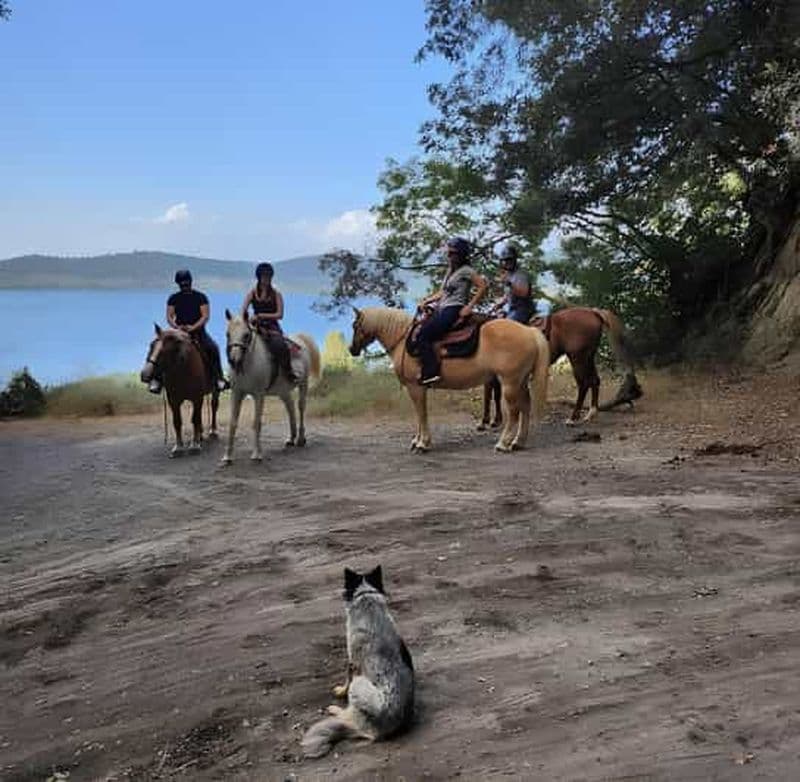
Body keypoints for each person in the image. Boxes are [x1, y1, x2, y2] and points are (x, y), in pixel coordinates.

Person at [416, 237, 487, 385]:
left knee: (423, 335)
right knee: (420, 327)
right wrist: (426, 301)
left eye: (452, 253)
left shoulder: (467, 270)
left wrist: (469, 306)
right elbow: (443, 293)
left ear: (461, 255)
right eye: (448, 253)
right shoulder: (450, 272)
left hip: (453, 309)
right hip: (442, 308)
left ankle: (431, 371)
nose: (449, 256)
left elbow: (482, 286)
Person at [147, 269, 228, 394]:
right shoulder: (173, 298)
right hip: (179, 333)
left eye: (186, 283)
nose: (184, 286)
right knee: (160, 348)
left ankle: (218, 378)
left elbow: (205, 316)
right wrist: (177, 327)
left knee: (213, 348)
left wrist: (193, 327)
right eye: (182, 284)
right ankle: (156, 380)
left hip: (198, 332)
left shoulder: (200, 297)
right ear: (178, 284)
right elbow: (169, 316)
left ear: (190, 282)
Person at [241, 261, 297, 383]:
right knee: (239, 343)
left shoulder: (276, 294)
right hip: (255, 326)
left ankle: (288, 371)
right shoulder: (252, 293)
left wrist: (261, 315)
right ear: (259, 277)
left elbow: (280, 314)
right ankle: (238, 373)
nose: (266, 279)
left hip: (271, 326)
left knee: (280, 345)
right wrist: (246, 317)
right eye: (263, 276)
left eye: (268, 276)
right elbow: (243, 309)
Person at [492, 244, 536, 323]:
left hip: (522, 310)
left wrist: (508, 283)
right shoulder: (508, 275)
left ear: (514, 260)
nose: (506, 262)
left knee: (507, 327)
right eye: (504, 260)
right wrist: (500, 303)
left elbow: (523, 293)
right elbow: (509, 294)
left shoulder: (520, 274)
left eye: (509, 260)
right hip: (512, 309)